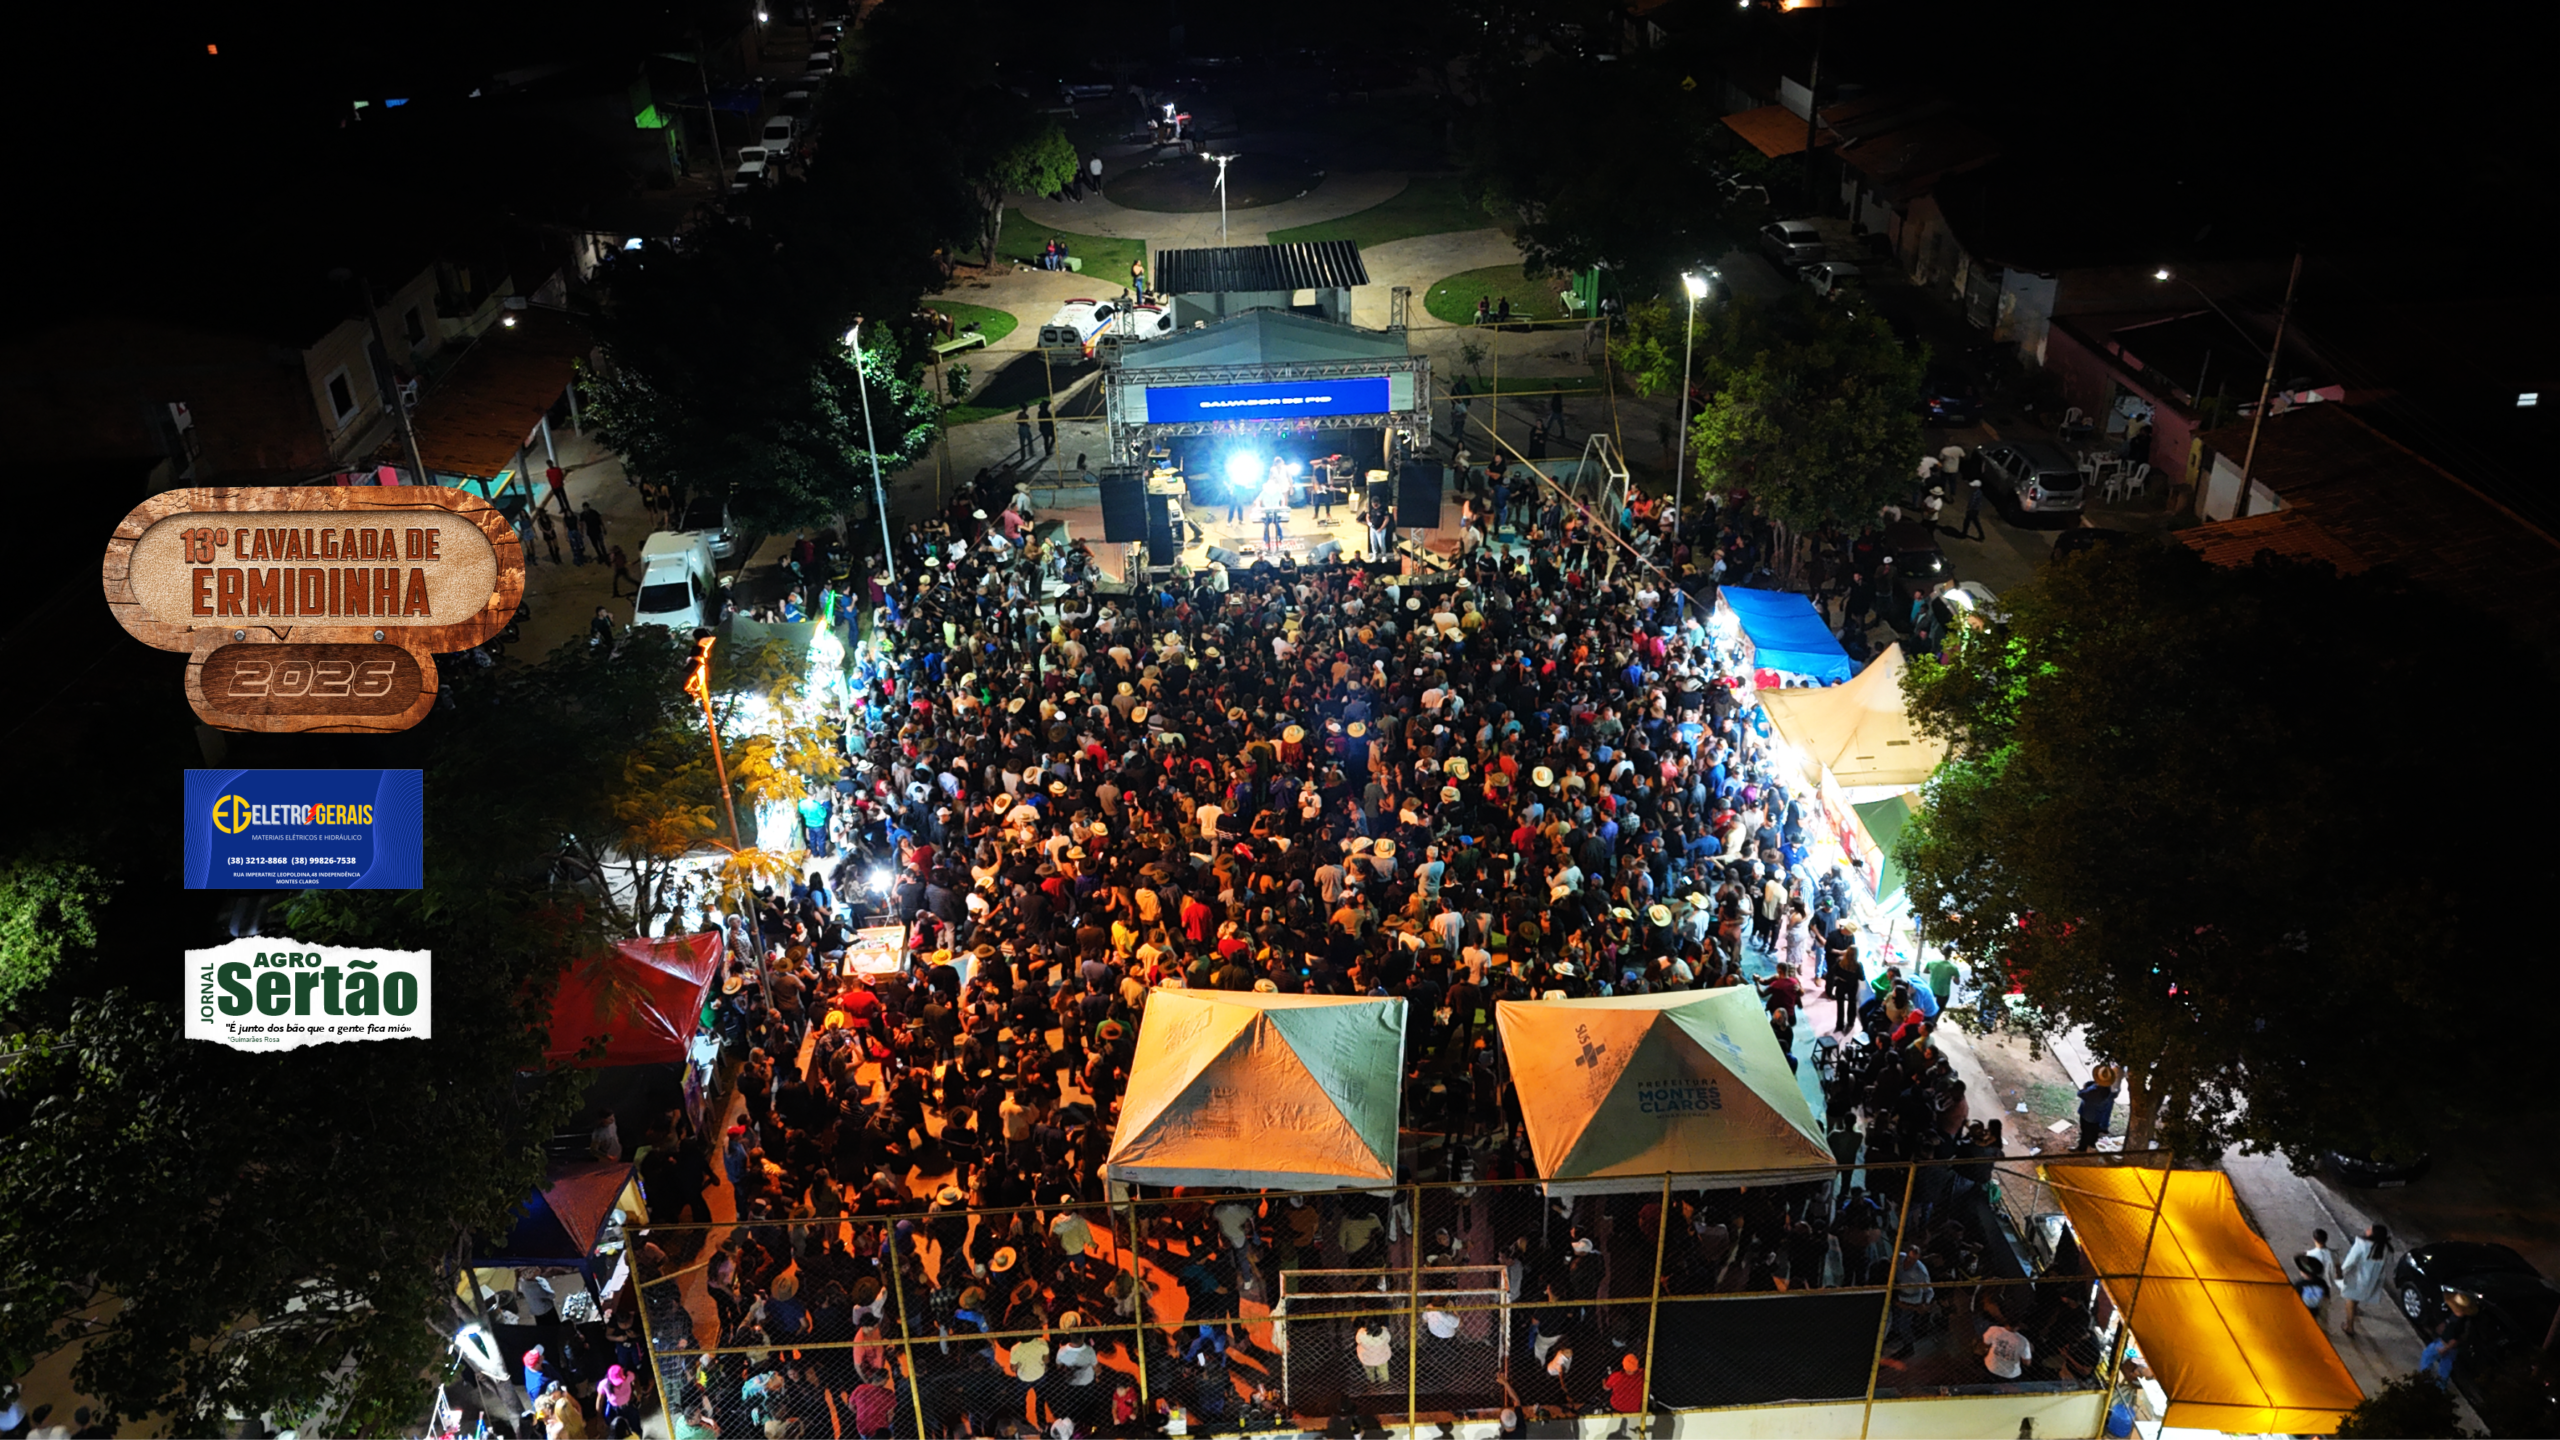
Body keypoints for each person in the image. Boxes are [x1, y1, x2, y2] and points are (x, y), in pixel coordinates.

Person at [2337, 1224, 2393, 1336]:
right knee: (2358, 1296)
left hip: (2357, 1279)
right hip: (2371, 1281)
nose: (2366, 1230)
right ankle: (2356, 1310)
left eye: (2369, 1229)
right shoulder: (2386, 1248)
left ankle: (2349, 1326)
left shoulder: (2362, 1244)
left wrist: (2341, 1272)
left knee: (2350, 1300)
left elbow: (2350, 1261)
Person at [2074, 1068, 2118, 1152]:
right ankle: (2092, 1144)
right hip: (2099, 1115)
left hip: (2087, 1114)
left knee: (2085, 1131)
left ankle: (2082, 1148)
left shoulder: (2093, 1091)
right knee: (2094, 1130)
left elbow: (2080, 1094)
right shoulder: (2110, 1091)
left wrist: (2085, 1087)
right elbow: (2114, 1094)